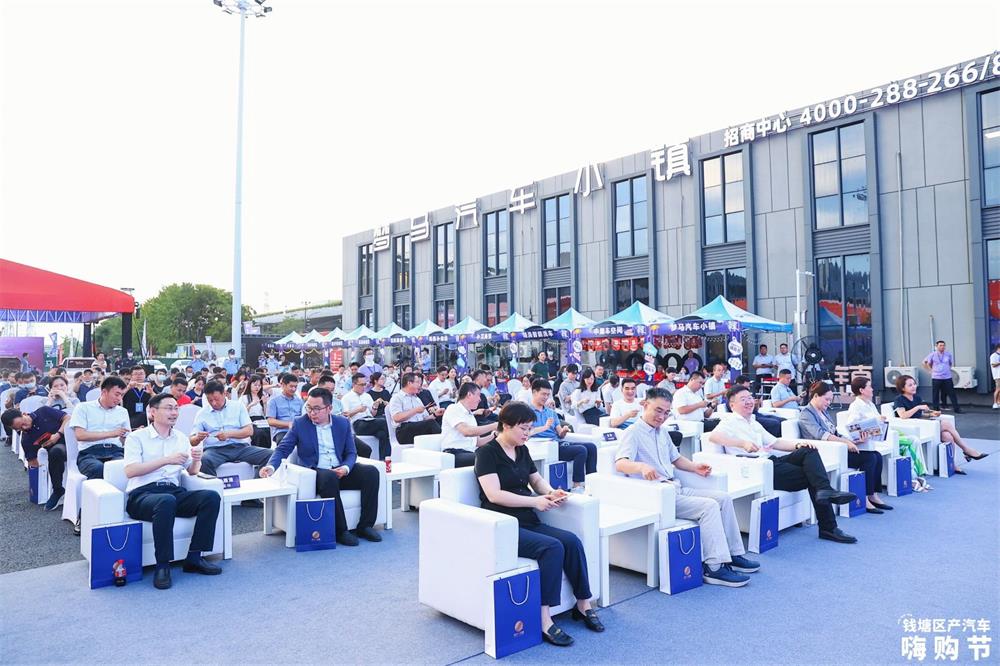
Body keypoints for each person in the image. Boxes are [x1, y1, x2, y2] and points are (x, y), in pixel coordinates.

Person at [475, 401, 603, 646]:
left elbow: (536, 481)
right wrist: (535, 502)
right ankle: (544, 618)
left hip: (528, 519)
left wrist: (551, 492)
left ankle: (583, 604)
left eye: (529, 428)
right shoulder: (487, 453)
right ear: (506, 425)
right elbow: (494, 494)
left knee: (571, 541)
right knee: (552, 547)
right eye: (523, 428)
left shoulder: (522, 450)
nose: (527, 433)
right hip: (504, 524)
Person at [615, 388, 760, 587]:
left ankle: (732, 553)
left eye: (666, 412)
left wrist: (694, 467)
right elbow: (620, 463)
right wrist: (641, 467)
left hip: (676, 487)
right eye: (658, 410)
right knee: (709, 507)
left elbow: (676, 459)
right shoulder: (632, 433)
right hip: (658, 494)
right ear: (645, 405)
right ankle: (714, 567)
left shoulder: (662, 432)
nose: (662, 417)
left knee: (723, 498)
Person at [709, 385, 858, 544]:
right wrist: (742, 443)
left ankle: (825, 494)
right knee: (814, 476)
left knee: (808, 450)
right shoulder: (730, 421)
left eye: (750, 398)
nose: (749, 401)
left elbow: (776, 442)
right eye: (743, 399)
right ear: (732, 405)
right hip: (759, 469)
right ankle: (828, 525)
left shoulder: (753, 422)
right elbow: (714, 437)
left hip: (772, 461)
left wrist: (798, 445)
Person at [123, 393, 222, 590]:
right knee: (166, 501)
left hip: (173, 491)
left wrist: (197, 459)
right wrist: (166, 460)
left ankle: (194, 557)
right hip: (142, 495)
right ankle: (163, 565)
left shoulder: (181, 438)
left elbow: (191, 471)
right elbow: (130, 471)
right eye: (169, 408)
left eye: (176, 408)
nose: (174, 412)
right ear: (152, 412)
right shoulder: (136, 437)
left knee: (211, 497)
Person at [260, 387, 382, 547]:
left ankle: (365, 526)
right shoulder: (300, 423)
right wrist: (271, 467)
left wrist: (345, 468)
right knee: (329, 477)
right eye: (309, 408)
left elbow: (351, 452)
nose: (312, 413)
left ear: (329, 408)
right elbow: (283, 449)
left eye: (317, 409)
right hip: (317, 473)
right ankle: (341, 531)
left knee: (371, 472)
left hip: (340, 470)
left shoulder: (342, 423)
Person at [798, 382, 891, 513]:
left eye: (830, 400)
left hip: (837, 448)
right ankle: (864, 498)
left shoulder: (823, 412)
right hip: (825, 451)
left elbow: (835, 433)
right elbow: (821, 434)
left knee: (876, 455)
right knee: (869, 458)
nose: (829, 403)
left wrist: (854, 440)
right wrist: (846, 443)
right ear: (816, 396)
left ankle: (872, 494)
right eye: (827, 399)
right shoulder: (806, 414)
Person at [68, 376, 132, 533]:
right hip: (90, 453)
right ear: (104, 392)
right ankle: (85, 516)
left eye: (122, 395)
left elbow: (125, 439)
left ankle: (121, 514)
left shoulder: (122, 412)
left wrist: (129, 437)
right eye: (116, 394)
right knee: (99, 470)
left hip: (115, 451)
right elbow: (80, 435)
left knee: (125, 470)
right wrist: (112, 433)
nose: (119, 399)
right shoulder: (83, 408)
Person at [847, 376, 929, 492]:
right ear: (862, 390)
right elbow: (852, 426)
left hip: (882, 435)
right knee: (911, 441)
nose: (872, 389)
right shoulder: (856, 406)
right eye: (869, 387)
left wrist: (880, 420)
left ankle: (913, 477)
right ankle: (913, 477)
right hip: (871, 440)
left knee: (909, 443)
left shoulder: (870, 404)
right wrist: (876, 421)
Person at [892, 374, 985, 472]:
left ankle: (952, 463)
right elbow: (903, 415)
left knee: (948, 436)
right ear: (902, 388)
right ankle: (966, 449)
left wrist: (931, 414)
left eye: (914, 384)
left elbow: (920, 414)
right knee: (946, 424)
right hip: (913, 428)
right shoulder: (899, 399)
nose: (914, 387)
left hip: (922, 424)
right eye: (910, 385)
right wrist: (918, 407)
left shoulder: (917, 398)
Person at [190, 381, 272, 477]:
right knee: (204, 460)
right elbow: (192, 441)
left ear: (224, 394)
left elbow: (249, 431)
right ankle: (215, 485)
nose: (214, 403)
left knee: (271, 455)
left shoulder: (237, 406)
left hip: (240, 448)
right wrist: (198, 438)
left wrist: (228, 434)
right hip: (215, 450)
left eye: (216, 399)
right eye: (210, 400)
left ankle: (258, 481)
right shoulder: (202, 413)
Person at [529, 380, 597, 490]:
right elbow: (527, 432)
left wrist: (564, 431)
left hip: (558, 443)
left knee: (591, 447)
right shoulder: (527, 412)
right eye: (543, 394)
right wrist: (544, 427)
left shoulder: (551, 412)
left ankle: (592, 482)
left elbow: (560, 434)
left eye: (548, 394)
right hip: (544, 446)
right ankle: (576, 486)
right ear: (534, 392)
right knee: (581, 450)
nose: (546, 397)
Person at [2, 405, 71, 510]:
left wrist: (58, 435)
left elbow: (67, 418)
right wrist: (35, 487)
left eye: (23, 424)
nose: (24, 428)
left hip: (73, 439)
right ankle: (58, 490)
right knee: (55, 452)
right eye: (20, 428)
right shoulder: (26, 439)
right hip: (58, 451)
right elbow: (32, 462)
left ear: (24, 414)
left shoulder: (43, 411)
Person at [440, 382, 499, 467]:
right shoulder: (453, 409)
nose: (480, 399)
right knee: (487, 458)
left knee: (498, 454)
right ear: (469, 394)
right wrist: (493, 426)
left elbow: (478, 442)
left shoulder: (470, 415)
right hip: (453, 453)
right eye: (478, 395)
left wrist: (494, 435)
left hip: (470, 453)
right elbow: (467, 431)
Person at [342, 372, 391, 459]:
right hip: (358, 423)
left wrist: (375, 407)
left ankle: (384, 459)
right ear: (354, 384)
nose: (364, 387)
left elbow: (373, 414)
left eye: (365, 384)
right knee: (384, 422)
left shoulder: (367, 396)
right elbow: (345, 416)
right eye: (361, 385)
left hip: (370, 420)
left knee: (383, 434)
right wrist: (357, 410)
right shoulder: (346, 397)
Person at [388, 372, 442, 444]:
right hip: (404, 431)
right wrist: (415, 411)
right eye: (417, 382)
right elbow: (396, 418)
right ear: (409, 383)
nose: (419, 385)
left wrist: (435, 415)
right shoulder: (397, 398)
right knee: (431, 424)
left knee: (438, 420)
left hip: (418, 428)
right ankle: (443, 445)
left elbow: (424, 419)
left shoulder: (417, 399)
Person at [922, 340, 961, 413]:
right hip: (936, 377)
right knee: (935, 394)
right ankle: (936, 409)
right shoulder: (932, 354)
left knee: (952, 393)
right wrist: (930, 371)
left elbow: (950, 363)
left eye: (943, 345)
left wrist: (947, 369)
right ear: (936, 346)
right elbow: (924, 362)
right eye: (940, 345)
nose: (942, 347)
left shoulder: (948, 354)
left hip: (947, 377)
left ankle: (957, 409)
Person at [266, 373, 305, 443]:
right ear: (283, 385)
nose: (294, 389)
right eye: (291, 386)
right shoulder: (274, 401)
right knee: (285, 441)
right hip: (282, 431)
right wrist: (288, 424)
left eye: (295, 387)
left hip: (298, 430)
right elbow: (270, 421)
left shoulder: (299, 401)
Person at [240, 373, 272, 449]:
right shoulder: (244, 397)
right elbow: (242, 414)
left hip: (261, 420)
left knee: (267, 430)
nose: (257, 387)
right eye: (255, 385)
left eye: (259, 385)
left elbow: (265, 414)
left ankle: (266, 451)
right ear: (250, 385)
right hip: (250, 420)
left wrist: (265, 404)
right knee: (259, 432)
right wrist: (251, 405)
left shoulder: (261, 396)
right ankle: (257, 450)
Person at [991, 342, 1000, 409]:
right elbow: (993, 365)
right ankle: (995, 403)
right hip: (997, 375)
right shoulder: (993, 355)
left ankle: (998, 402)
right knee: (998, 389)